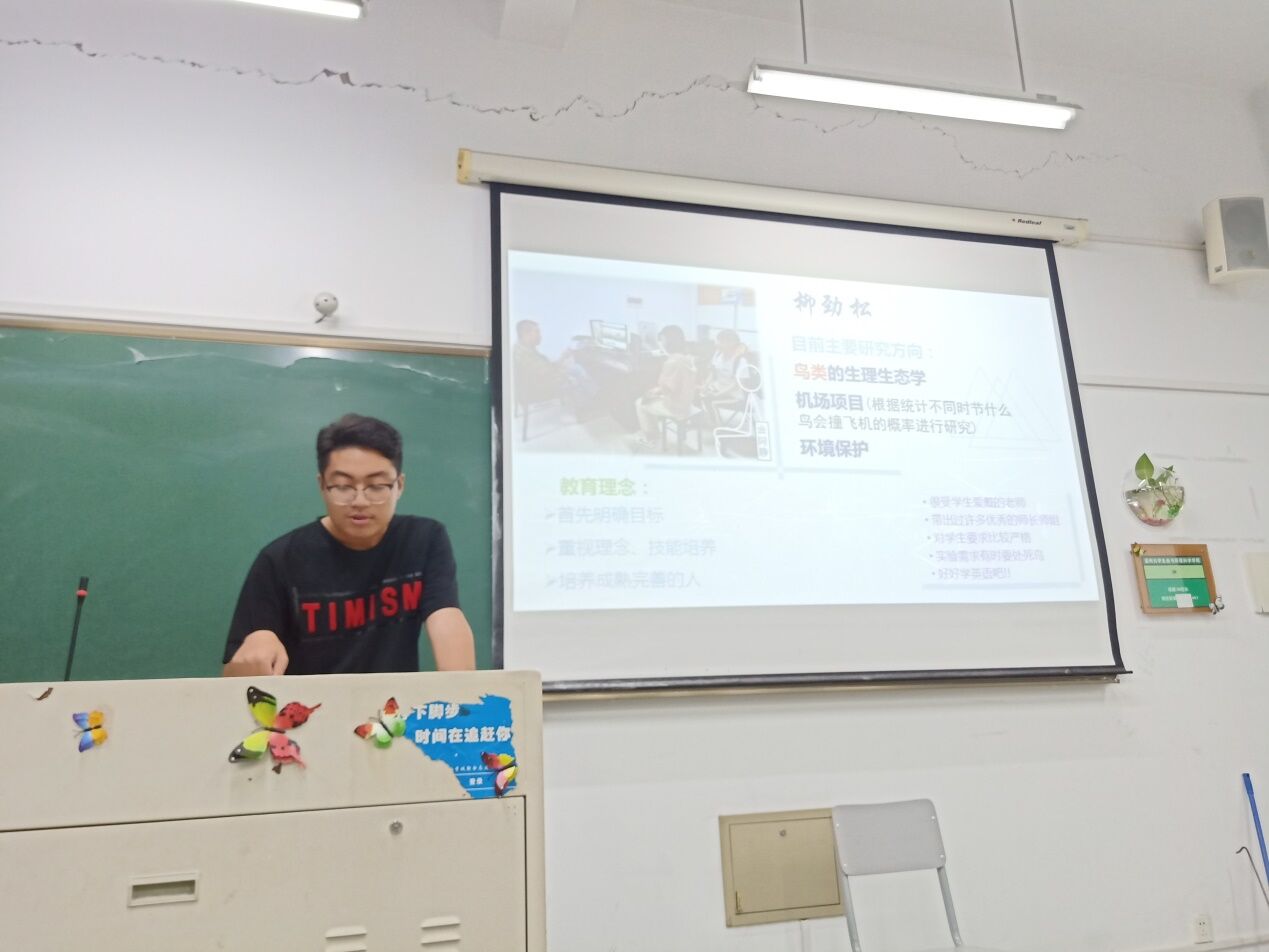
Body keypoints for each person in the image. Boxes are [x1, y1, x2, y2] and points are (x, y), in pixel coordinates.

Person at [222, 414, 476, 676]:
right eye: (343, 486)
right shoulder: (279, 560)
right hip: (308, 702)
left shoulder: (424, 539)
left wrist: (460, 687)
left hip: (392, 702)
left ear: (399, 486)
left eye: (376, 486)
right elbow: (232, 676)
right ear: (322, 485)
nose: (360, 501)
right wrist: (257, 647)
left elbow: (446, 619)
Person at [632, 324, 697, 449]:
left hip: (676, 407)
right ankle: (655, 433)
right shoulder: (687, 358)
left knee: (640, 403)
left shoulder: (672, 362)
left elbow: (666, 389)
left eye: (661, 339)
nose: (660, 343)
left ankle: (651, 438)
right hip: (687, 401)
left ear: (669, 341)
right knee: (650, 398)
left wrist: (651, 393)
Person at [699, 329, 749, 422]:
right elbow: (712, 374)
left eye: (722, 341)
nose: (718, 344)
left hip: (735, 396)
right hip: (718, 389)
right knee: (699, 395)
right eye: (718, 341)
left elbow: (737, 385)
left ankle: (716, 427)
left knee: (711, 402)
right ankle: (707, 422)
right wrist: (704, 387)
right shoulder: (717, 355)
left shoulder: (741, 361)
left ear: (732, 343)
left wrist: (717, 394)